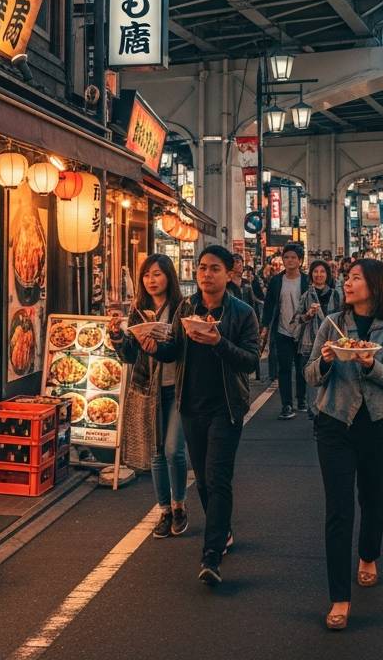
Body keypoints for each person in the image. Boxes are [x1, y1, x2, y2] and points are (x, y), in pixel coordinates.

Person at [305, 259, 383, 630]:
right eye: (347, 278)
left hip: (380, 426)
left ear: (376, 285)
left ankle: (368, 554)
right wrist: (325, 361)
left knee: (374, 497)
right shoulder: (332, 324)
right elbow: (310, 374)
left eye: (356, 278)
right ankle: (339, 597)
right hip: (334, 424)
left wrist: (370, 365)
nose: (347, 283)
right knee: (338, 510)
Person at [153, 245, 260, 587]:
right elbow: (172, 350)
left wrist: (218, 342)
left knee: (218, 477)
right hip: (190, 404)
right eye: (202, 268)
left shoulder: (242, 313)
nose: (206, 274)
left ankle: (211, 554)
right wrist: (151, 345)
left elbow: (251, 360)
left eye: (214, 268)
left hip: (226, 407)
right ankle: (222, 529)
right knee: (201, 478)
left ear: (229, 274)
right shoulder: (186, 308)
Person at [108, 255, 189, 539]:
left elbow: (182, 349)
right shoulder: (137, 311)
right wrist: (117, 338)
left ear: (169, 276)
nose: (151, 280)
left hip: (178, 388)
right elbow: (130, 356)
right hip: (147, 388)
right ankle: (164, 511)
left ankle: (179, 505)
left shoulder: (182, 308)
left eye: (157, 274)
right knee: (156, 451)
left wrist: (159, 345)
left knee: (173, 449)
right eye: (146, 275)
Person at [262, 242, 310, 418]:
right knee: (284, 368)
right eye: (287, 257)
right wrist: (265, 326)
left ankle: (301, 399)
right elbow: (269, 305)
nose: (290, 260)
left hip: (302, 331)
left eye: (293, 258)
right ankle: (286, 404)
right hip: (282, 331)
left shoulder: (306, 280)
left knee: (301, 367)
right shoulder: (276, 281)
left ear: (300, 260)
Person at [294, 260, 343, 418]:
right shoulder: (306, 296)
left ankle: (328, 410)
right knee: (312, 376)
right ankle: (313, 412)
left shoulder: (335, 294)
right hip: (310, 342)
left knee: (331, 376)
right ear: (311, 275)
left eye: (322, 272)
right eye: (315, 271)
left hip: (332, 341)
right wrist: (308, 315)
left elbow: (343, 317)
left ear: (327, 275)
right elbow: (297, 319)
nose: (319, 275)